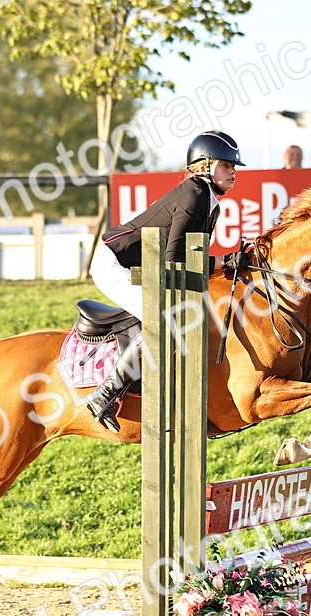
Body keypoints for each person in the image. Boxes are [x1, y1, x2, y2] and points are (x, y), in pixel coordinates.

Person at [84, 130, 250, 431]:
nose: (233, 172)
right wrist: (221, 263)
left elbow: (193, 258)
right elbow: (173, 261)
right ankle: (105, 393)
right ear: (203, 166)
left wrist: (227, 261)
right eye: (226, 165)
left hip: (146, 264)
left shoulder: (210, 201)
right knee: (162, 320)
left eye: (233, 166)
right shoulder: (194, 193)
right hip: (114, 263)